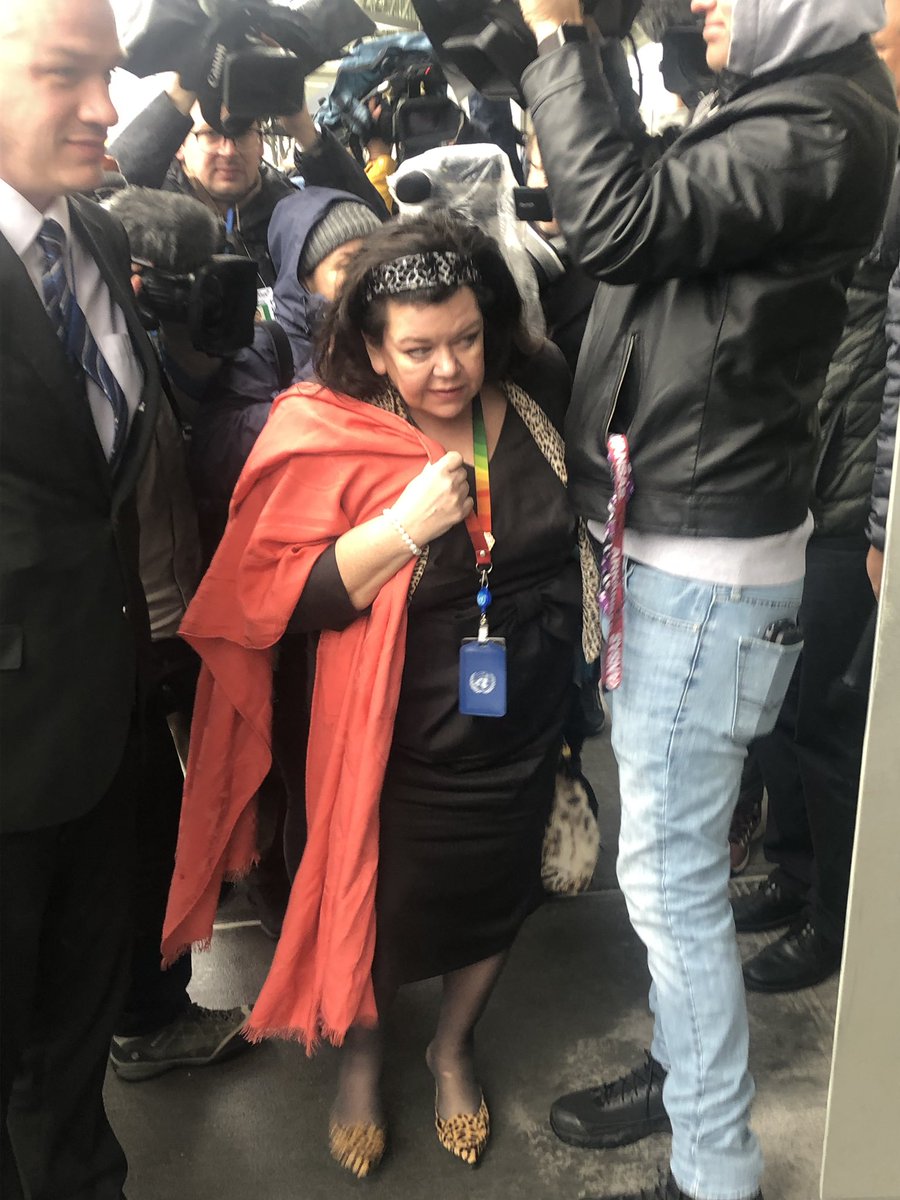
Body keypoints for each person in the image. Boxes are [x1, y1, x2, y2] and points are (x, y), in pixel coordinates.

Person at [513, 1, 898, 1199]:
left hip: (702, 563)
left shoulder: (819, 121)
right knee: (670, 868)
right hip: (689, 543)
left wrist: (564, 43)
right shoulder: (793, 102)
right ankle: (687, 1076)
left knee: (671, 882)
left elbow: (619, 218)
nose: (703, 4)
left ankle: (715, 1166)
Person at [160, 212, 595, 1178]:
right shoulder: (326, 429)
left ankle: (451, 1048)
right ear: (371, 347)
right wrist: (402, 526)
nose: (449, 368)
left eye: (467, 338)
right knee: (380, 917)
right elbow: (279, 599)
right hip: (394, 752)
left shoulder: (535, 398)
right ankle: (362, 1057)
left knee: (499, 900)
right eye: (419, 348)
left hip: (524, 727)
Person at [0, 0, 162, 1194]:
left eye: (112, 72)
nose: (106, 107)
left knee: (76, 1039)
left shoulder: (93, 232)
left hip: (110, 724)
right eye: (68, 72)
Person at [190, 186, 383, 562]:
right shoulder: (266, 344)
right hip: (299, 547)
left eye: (375, 261)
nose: (365, 277)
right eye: (348, 264)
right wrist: (325, 379)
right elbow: (217, 453)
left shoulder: (393, 332)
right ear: (304, 277)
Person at [109, 75, 386, 287]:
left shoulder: (292, 211)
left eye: (242, 134)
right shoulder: (153, 214)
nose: (229, 151)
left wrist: (304, 130)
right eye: (211, 135)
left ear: (261, 144)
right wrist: (181, 90)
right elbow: (103, 195)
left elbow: (379, 235)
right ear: (179, 147)